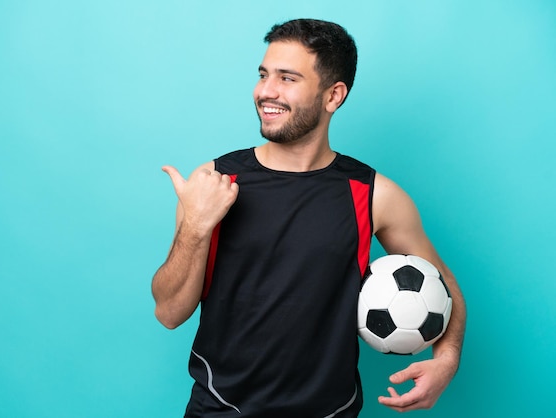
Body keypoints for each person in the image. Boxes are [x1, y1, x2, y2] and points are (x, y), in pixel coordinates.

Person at [152, 18, 466, 417]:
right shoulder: (213, 182)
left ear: (333, 96)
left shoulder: (375, 196)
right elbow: (168, 313)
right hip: (219, 410)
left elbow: (444, 283)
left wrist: (447, 359)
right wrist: (196, 225)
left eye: (287, 78)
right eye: (264, 75)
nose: (266, 91)